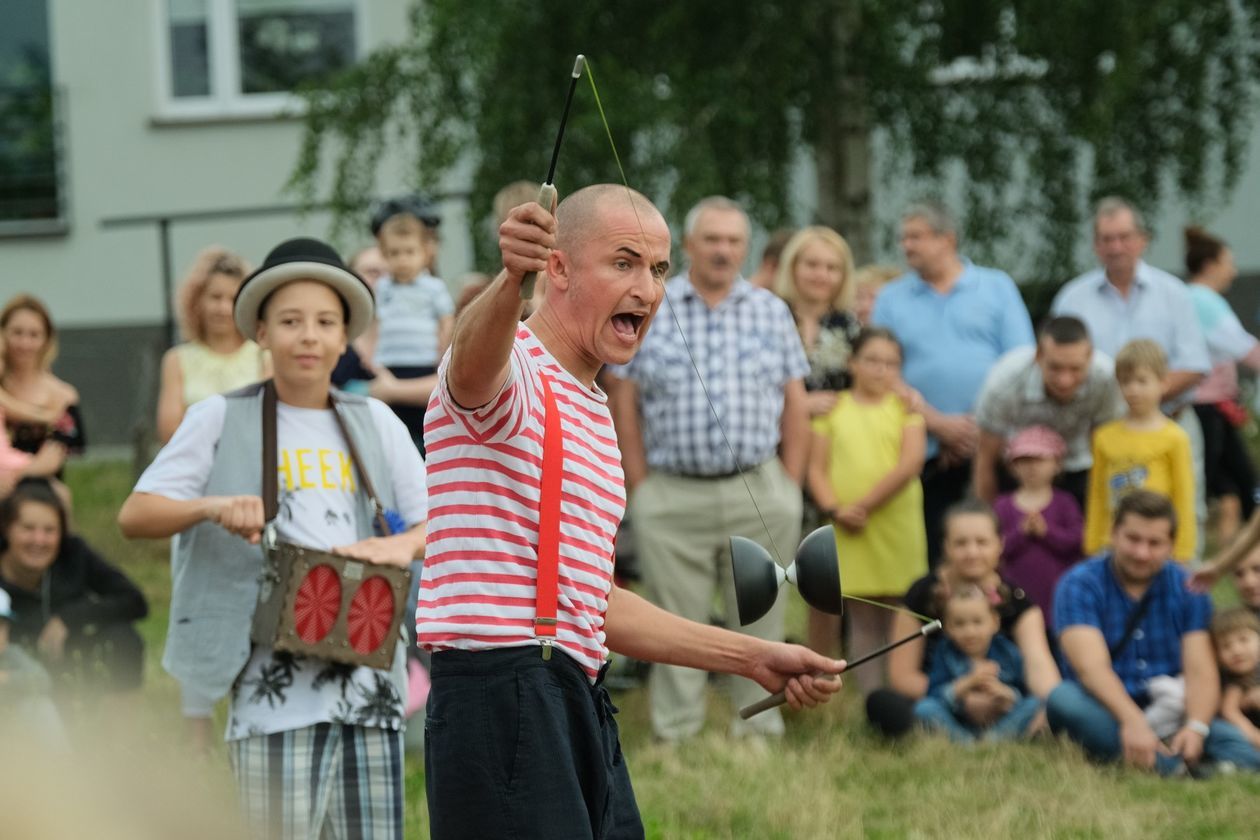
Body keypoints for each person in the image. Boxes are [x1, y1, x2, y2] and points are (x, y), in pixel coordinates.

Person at [418, 185, 844, 839]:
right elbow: (472, 368)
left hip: (575, 689)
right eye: (623, 263)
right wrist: (510, 280)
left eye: (658, 268)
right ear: (556, 268)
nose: (647, 288)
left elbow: (594, 603)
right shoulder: (514, 371)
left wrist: (751, 656)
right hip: (499, 694)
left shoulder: (592, 407)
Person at [118, 237, 429, 839]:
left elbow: (436, 521)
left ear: (345, 338)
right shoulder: (220, 416)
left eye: (324, 322)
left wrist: (400, 545)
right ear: (260, 331)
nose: (308, 336)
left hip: (368, 682)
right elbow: (136, 514)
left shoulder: (375, 421)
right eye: (290, 321)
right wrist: (209, 506)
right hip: (270, 690)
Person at [605, 195, 812, 743]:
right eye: (712, 239)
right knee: (675, 620)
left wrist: (790, 482)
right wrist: (639, 483)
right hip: (672, 493)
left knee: (762, 613)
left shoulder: (771, 310)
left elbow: (795, 399)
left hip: (760, 488)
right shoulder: (651, 303)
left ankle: (759, 731)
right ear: (689, 245)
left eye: (734, 241)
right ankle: (677, 734)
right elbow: (623, 396)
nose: (723, 250)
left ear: (746, 247)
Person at [1047, 490, 1260, 775]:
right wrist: (1133, 722)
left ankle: (1174, 764)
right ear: (1113, 533)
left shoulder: (1189, 587)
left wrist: (1195, 727)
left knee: (1238, 747)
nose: (1142, 553)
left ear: (1171, 544)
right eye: (1133, 539)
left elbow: (1200, 670)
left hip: (1174, 705)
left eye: (1155, 543)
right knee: (1064, 699)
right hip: (1106, 707)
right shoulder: (1078, 584)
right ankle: (1182, 770)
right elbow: (1091, 669)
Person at [872, 201, 1034, 564]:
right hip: (927, 452)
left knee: (996, 546)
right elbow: (881, 371)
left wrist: (980, 426)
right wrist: (938, 423)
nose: (906, 246)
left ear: (947, 239)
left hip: (994, 444)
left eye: (916, 237)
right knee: (937, 551)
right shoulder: (891, 298)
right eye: (904, 238)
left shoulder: (997, 287)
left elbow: (1020, 362)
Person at [1051, 197, 1210, 552]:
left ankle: (1182, 588)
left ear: (1142, 239)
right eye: (1107, 239)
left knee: (1185, 509)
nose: (1116, 247)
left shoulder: (1174, 294)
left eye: (1124, 237)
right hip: (1104, 431)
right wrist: (1116, 409)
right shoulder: (1073, 298)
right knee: (1112, 510)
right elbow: (1059, 362)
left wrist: (1146, 399)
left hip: (1172, 422)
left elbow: (1195, 363)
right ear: (1095, 245)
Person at [867, 501, 1060, 737]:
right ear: (945, 547)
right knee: (884, 704)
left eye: (982, 542)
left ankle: (999, 735)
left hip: (1003, 700)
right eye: (961, 543)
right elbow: (902, 677)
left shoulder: (1018, 602)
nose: (972, 553)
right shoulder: (921, 594)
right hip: (940, 699)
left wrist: (1047, 703)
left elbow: (1039, 666)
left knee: (1053, 704)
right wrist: (963, 696)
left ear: (1000, 544)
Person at [806, 327, 927, 682]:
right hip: (847, 527)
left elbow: (910, 463)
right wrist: (836, 509)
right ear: (852, 363)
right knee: (861, 611)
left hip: (894, 523)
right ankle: (871, 692)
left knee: (900, 609)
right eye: (872, 360)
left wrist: (864, 505)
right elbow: (815, 469)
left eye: (891, 363)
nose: (881, 369)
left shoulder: (906, 409)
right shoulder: (832, 409)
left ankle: (900, 687)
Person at [0, 478, 147, 694]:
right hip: (11, 673)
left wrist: (68, 618)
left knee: (124, 638)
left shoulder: (73, 555)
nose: (39, 540)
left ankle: (121, 727)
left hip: (67, 664)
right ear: (6, 529)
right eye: (28, 528)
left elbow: (134, 600)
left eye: (50, 530)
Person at [973, 316, 1125, 508]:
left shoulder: (1106, 379)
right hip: (1019, 470)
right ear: (1038, 355)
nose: (1065, 380)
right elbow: (985, 459)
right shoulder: (1005, 381)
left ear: (1090, 357)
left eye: (1075, 369)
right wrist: (986, 522)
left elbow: (1108, 449)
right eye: (1055, 367)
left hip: (1078, 466)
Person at [1085, 340, 1196, 562]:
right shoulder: (1104, 436)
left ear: (1163, 382)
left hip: (1157, 545)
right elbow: (1097, 493)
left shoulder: (1174, 437)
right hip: (1113, 544)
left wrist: (1182, 550)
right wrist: (1093, 543)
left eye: (1142, 381)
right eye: (1125, 382)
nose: (1133, 390)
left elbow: (1184, 497)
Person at [1185, 226, 1260, 545]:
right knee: (1226, 486)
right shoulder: (1203, 300)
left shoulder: (1195, 298)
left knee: (1233, 490)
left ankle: (1234, 563)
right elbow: (1242, 347)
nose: (1232, 270)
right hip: (1206, 409)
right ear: (1210, 265)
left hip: (1216, 408)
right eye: (1228, 262)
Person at [156, 247, 268, 444]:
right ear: (196, 301)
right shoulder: (177, 360)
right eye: (215, 297)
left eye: (232, 299)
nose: (223, 308)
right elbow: (169, 432)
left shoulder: (265, 357)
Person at [913, 585, 1042, 742]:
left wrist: (1005, 694)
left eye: (977, 622)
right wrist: (967, 683)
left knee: (1034, 704)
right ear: (947, 627)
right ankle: (966, 742)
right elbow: (935, 695)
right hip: (959, 722)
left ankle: (992, 739)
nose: (970, 632)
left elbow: (1022, 693)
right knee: (924, 708)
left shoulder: (1007, 651)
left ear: (994, 622)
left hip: (999, 722)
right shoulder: (945, 652)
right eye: (959, 624)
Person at [373, 210, 456, 452]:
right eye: (394, 253)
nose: (402, 260)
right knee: (393, 429)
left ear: (424, 254)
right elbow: (376, 324)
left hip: (422, 363)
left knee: (426, 426)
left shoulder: (433, 287)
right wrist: (374, 361)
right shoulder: (382, 288)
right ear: (384, 255)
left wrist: (443, 353)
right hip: (391, 364)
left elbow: (446, 321)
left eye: (409, 252)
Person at [993, 426, 1082, 628]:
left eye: (1039, 459)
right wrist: (1021, 533)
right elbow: (994, 547)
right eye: (1024, 460)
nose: (1031, 467)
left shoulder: (1065, 502)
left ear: (1057, 464)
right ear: (1012, 466)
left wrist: (1047, 532)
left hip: (1058, 596)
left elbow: (1077, 541)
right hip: (1015, 597)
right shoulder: (1002, 505)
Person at [0, 295, 82, 476]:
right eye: (17, 333)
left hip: (38, 491)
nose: (24, 343)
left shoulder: (63, 396)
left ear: (47, 339)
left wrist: (10, 479)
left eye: (34, 334)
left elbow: (51, 460)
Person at [1213, 608, 1260, 750]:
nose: (1236, 651)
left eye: (1243, 640)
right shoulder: (1235, 681)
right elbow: (1229, 711)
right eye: (1226, 646)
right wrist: (1255, 736)